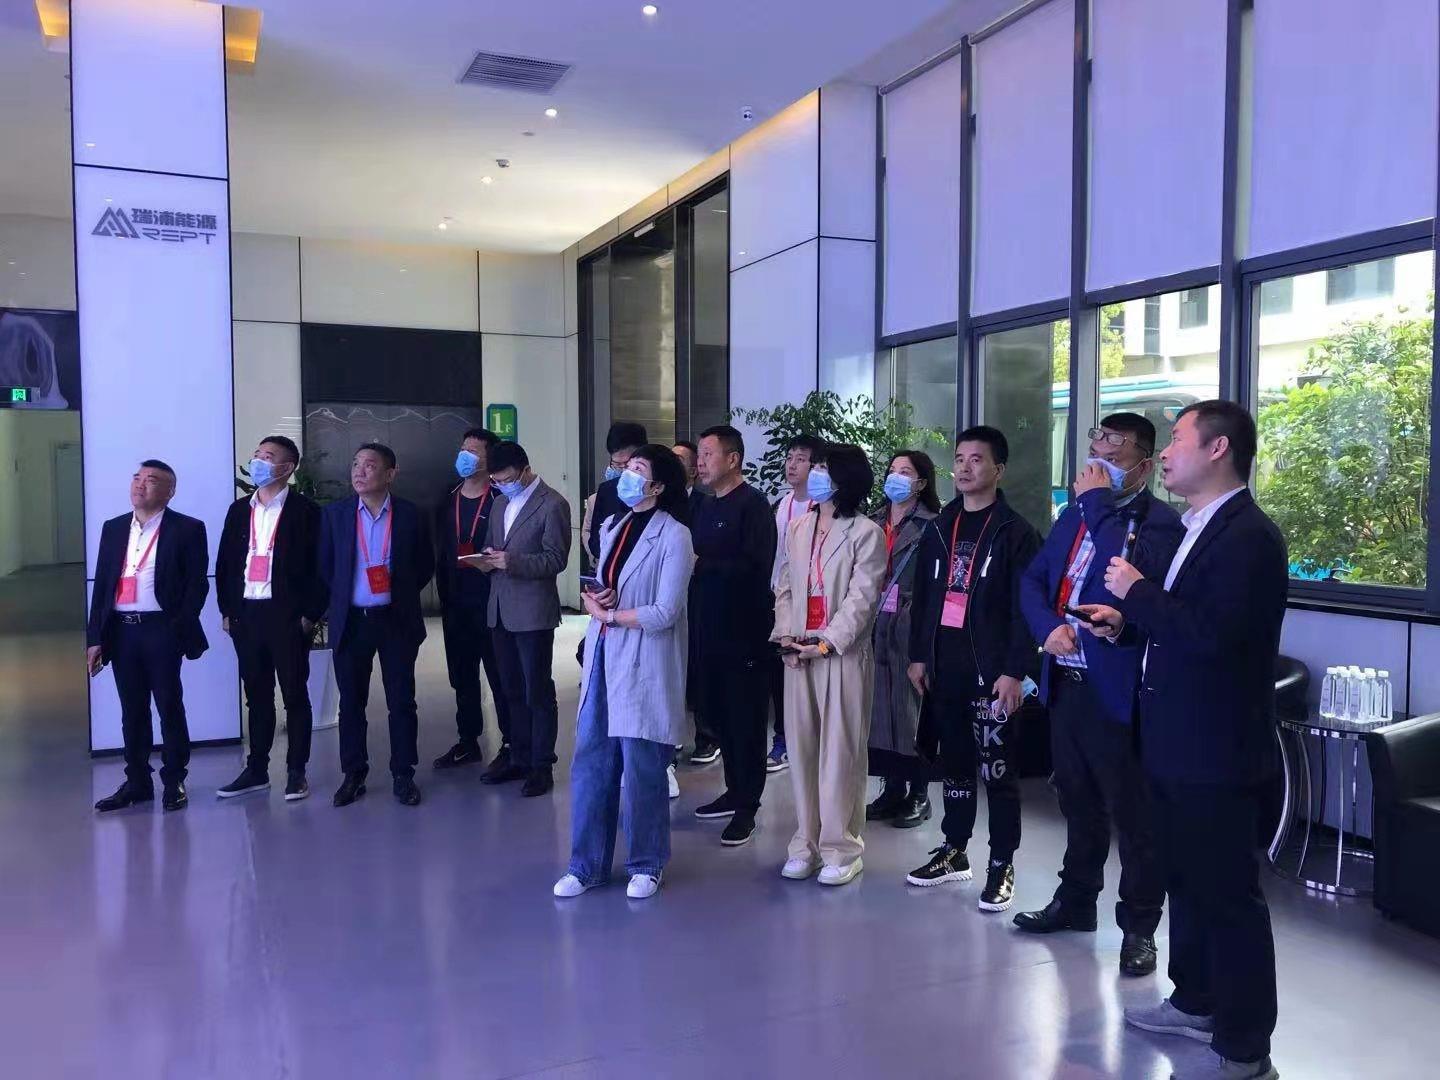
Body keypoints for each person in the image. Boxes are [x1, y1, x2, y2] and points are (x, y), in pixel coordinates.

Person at [1077, 401, 1287, 1080]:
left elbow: (1216, 638)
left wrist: (1136, 593)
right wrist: (1124, 624)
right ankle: (1196, 1001)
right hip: (1172, 744)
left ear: (1218, 449)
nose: (1164, 453)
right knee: (1188, 884)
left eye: (1176, 440)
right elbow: (1179, 626)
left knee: (1227, 897)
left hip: (1215, 750)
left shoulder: (1249, 537)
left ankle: (1246, 1046)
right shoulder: (1200, 526)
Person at [1013, 414, 1185, 977]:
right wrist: (1046, 629)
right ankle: (1076, 901)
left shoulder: (1160, 524)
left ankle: (1139, 928)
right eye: (1097, 442)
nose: (1100, 454)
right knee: (1076, 801)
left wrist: (1094, 504)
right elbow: (1033, 580)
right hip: (1067, 682)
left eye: (1115, 448)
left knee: (1134, 816)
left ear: (1144, 463)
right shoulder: (1072, 515)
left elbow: (1125, 574)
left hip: (1120, 691)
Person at [905, 426, 1042, 911]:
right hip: (946, 666)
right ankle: (954, 849)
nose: (964, 467)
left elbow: (1028, 610)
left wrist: (1015, 670)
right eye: (959, 458)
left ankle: (1001, 863)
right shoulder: (940, 527)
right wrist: (919, 655)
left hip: (994, 673)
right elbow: (925, 598)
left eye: (976, 459)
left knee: (998, 772)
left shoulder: (1016, 533)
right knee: (956, 764)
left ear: (998, 469)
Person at [553, 445, 695, 900]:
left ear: (658, 486)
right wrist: (598, 601)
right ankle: (586, 865)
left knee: (641, 768)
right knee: (592, 762)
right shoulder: (613, 525)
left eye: (638, 470)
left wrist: (613, 616)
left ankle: (647, 863)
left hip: (644, 660)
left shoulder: (675, 536)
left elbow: (665, 611)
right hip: (604, 654)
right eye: (627, 469)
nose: (627, 477)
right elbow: (607, 586)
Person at [771, 444, 886, 886]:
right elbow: (785, 586)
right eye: (815, 466)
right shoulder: (798, 526)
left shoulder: (866, 532)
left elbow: (863, 599)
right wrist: (786, 635)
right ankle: (806, 843)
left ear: (845, 478)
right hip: (797, 652)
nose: (814, 474)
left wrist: (826, 643)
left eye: (823, 468)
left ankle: (842, 847)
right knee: (802, 750)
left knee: (840, 752)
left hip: (841, 654)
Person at [318, 443, 434, 807]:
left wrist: (395, 595)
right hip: (352, 621)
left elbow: (423, 566)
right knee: (351, 703)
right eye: (355, 464)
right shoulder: (335, 515)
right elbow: (326, 567)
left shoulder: (411, 515)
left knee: (402, 701)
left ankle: (404, 773)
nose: (359, 471)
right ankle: (354, 774)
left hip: (395, 620)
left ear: (390, 473)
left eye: (369, 465)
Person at [89, 460, 209, 813]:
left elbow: (197, 585)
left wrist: (179, 626)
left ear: (170, 491)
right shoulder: (113, 528)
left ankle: (174, 780)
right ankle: (137, 782)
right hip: (121, 631)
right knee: (132, 709)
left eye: (151, 480)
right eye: (137, 478)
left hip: (161, 629)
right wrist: (94, 637)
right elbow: (102, 587)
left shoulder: (187, 528)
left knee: (169, 705)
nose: (140, 484)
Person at [214, 435, 324, 802]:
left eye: (268, 456)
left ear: (287, 467)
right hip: (246, 614)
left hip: (287, 616)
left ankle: (296, 771)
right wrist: (227, 611)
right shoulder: (239, 510)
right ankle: (256, 770)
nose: (259, 461)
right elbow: (225, 564)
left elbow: (320, 568)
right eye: (257, 454)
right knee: (257, 695)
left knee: (295, 695)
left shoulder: (306, 511)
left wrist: (309, 616)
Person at [689, 424, 777, 846]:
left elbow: (757, 569)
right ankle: (732, 791)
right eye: (700, 455)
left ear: (733, 458)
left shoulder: (754, 506)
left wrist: (702, 564)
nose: (701, 462)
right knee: (718, 714)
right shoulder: (706, 506)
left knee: (746, 720)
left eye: (708, 454)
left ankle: (748, 807)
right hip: (707, 628)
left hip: (745, 632)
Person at [478, 440, 573, 797]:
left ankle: (541, 764)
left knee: (537, 690)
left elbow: (556, 559)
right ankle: (518, 755)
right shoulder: (499, 502)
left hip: (533, 612)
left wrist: (512, 562)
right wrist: (486, 558)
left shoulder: (553, 504)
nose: (502, 485)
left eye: (507, 479)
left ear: (525, 470)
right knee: (510, 689)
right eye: (496, 480)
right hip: (500, 608)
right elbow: (493, 544)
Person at [866, 450, 941, 829]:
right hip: (873, 623)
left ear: (921, 483)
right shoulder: (872, 520)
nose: (896, 477)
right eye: (892, 470)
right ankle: (891, 789)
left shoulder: (933, 525)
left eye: (905, 472)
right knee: (879, 712)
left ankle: (919, 793)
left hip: (910, 625)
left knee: (911, 712)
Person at [432, 427, 512, 773]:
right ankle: (468, 741)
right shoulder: (447, 496)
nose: (465, 456)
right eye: (463, 448)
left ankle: (511, 743)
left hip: (491, 600)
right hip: (455, 601)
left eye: (473, 451)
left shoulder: (500, 498)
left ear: (489, 459)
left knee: (500, 674)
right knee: (462, 675)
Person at [767, 434, 823, 774]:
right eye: (789, 458)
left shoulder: (822, 506)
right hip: (779, 597)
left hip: (812, 604)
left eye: (801, 459)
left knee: (810, 674)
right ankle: (783, 740)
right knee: (781, 674)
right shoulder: (782, 503)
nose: (792, 465)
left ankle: (810, 742)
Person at [582, 421, 648, 562]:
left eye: (628, 464)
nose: (624, 471)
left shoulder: (657, 489)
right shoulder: (606, 491)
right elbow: (594, 542)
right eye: (617, 464)